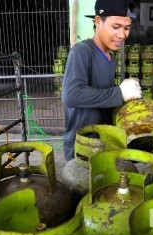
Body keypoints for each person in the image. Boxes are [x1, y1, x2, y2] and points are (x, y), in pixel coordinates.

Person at [61, 0, 141, 161]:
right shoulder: (82, 52)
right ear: (98, 22)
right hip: (83, 146)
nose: (122, 35)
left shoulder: (111, 57)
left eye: (127, 28)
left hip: (103, 142)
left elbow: (103, 95)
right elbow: (71, 95)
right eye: (116, 27)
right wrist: (119, 93)